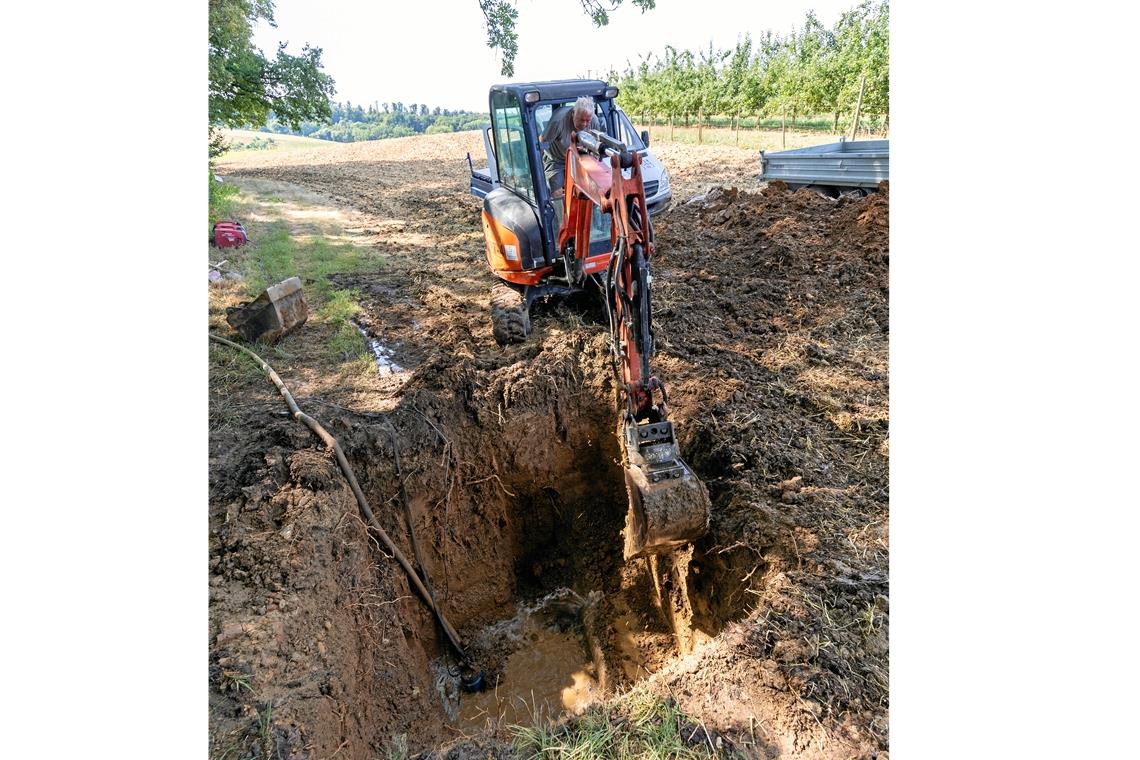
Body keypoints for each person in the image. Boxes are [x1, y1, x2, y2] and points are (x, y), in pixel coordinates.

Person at [540, 96, 603, 202]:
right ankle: (561, 215)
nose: (584, 124)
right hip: (557, 160)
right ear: (573, 113)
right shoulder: (558, 122)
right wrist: (538, 171)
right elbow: (541, 143)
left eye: (587, 120)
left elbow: (596, 147)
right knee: (558, 195)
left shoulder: (594, 121)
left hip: (580, 159)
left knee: (588, 191)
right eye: (581, 120)